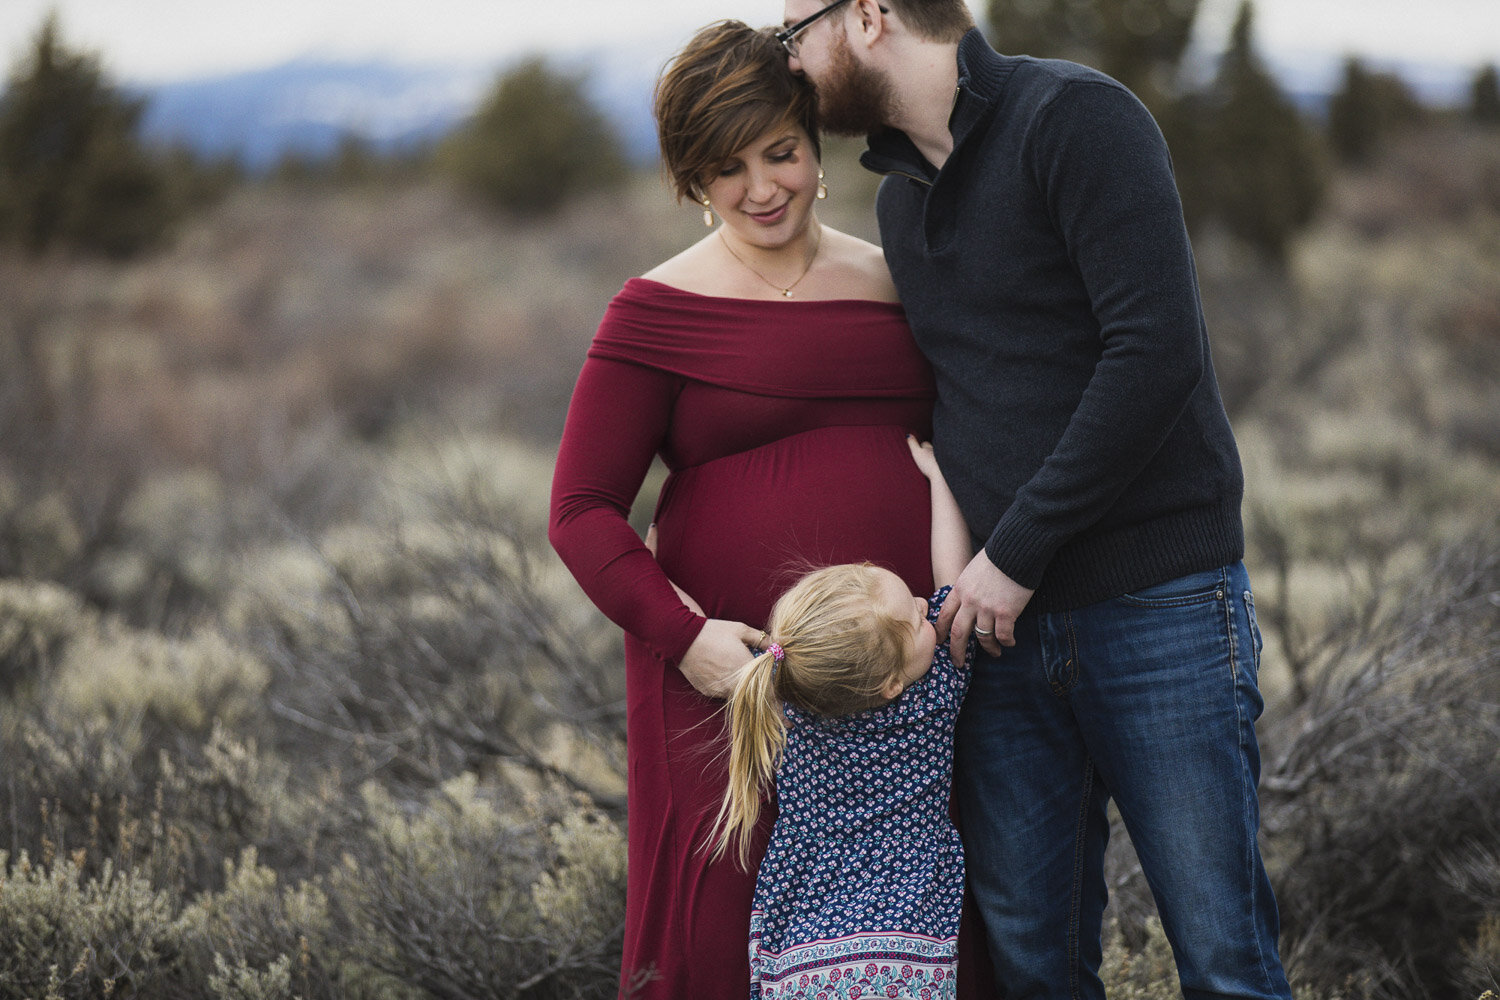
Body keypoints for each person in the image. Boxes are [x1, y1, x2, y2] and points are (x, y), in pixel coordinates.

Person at [776, 2, 1295, 999]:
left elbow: (1154, 356)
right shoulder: (899, 207)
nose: (788, 56)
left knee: (1223, 953)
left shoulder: (1077, 120)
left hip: (1160, 604)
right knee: (1033, 963)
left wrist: (1011, 555)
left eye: (795, 26)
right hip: (997, 641)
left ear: (872, 16)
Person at [548, 20, 940, 999]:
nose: (763, 188)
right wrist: (685, 639)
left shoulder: (902, 280)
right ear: (691, 179)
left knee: (921, 926)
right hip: (733, 689)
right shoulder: (655, 309)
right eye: (727, 168)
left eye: (781, 153)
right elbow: (582, 509)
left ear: (815, 144)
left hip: (909, 680)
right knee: (729, 936)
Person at [712, 437, 971, 1000]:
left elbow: (695, 626)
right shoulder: (931, 698)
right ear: (891, 684)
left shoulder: (782, 692)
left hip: (803, 959)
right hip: (902, 957)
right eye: (919, 619)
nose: (932, 609)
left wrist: (658, 565)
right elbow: (955, 585)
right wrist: (939, 479)